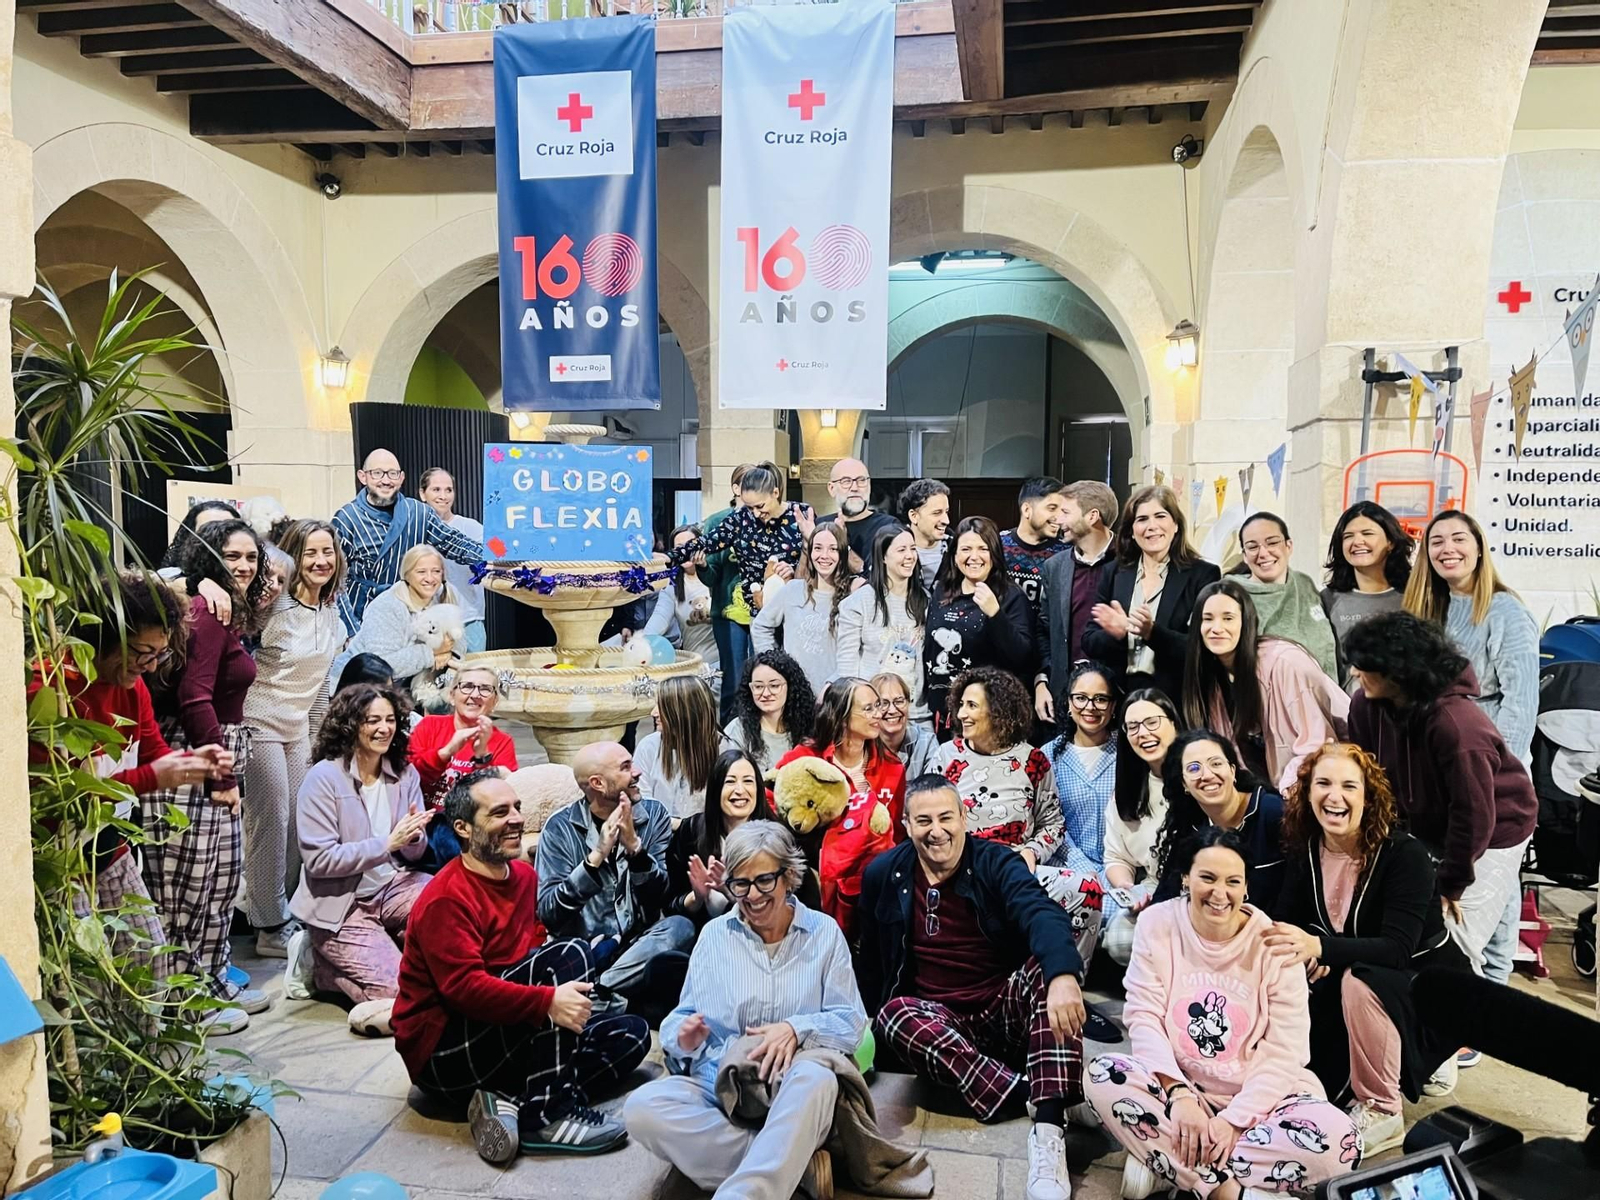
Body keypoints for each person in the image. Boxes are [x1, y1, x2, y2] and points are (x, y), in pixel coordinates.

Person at [1084, 827, 1358, 1200]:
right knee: (1103, 1075)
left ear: (1246, 887)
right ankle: (1230, 1191)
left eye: (1233, 881)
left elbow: (1286, 1052)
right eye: (1207, 878)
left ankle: (1172, 1165)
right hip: (1180, 1089)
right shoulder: (1157, 924)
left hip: (1263, 1100)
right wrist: (1179, 1095)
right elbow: (1144, 1017)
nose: (1219, 893)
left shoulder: (1276, 944)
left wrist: (1232, 1121)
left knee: (1341, 1142)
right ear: (1186, 878)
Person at [393, 770, 650, 1161]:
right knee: (572, 956)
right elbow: (464, 990)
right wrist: (546, 1002)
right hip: (442, 1050)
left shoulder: (524, 877)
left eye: (517, 808)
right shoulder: (446, 898)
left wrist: (549, 1002)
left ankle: (510, 1100)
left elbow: (526, 956)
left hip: (498, 1028)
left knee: (632, 1034)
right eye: (499, 813)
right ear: (462, 828)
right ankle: (548, 1115)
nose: (515, 819)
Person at [860, 776, 1087, 1200]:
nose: (936, 830)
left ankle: (1049, 1128)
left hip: (1002, 1007)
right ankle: (1036, 1090)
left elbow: (1041, 913)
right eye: (923, 820)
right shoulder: (883, 874)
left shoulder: (996, 863)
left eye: (947, 817)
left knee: (1047, 969)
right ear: (906, 824)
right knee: (893, 1014)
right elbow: (871, 960)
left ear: (965, 818)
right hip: (939, 1024)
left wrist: (1062, 976)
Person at [625, 821, 867, 1199]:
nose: (752, 895)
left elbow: (850, 1023)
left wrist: (794, 1028)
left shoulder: (824, 933)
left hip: (794, 1094)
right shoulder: (714, 937)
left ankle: (748, 1189)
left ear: (788, 877)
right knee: (642, 1108)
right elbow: (679, 1018)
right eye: (740, 883)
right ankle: (794, 1170)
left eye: (764, 881)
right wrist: (683, 1037)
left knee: (818, 1078)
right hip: (723, 1088)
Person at [1265, 744, 1472, 1155]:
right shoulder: (1306, 849)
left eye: (1348, 786)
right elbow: (1287, 921)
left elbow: (1397, 949)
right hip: (1353, 973)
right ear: (1307, 794)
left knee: (1360, 980)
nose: (1334, 796)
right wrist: (1310, 953)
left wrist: (1321, 946)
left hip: (1425, 981)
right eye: (1322, 783)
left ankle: (1384, 1108)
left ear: (1368, 797)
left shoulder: (1405, 855)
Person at [33, 573, 231, 992]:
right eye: (143, 652)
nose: (151, 665)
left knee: (148, 960)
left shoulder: (133, 686)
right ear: (106, 636)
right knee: (86, 978)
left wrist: (191, 761)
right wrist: (153, 776)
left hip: (108, 846)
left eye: (160, 655)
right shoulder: (50, 691)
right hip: (59, 859)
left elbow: (153, 752)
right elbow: (66, 793)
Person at [1343, 612, 1537, 976]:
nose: (1355, 672)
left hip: (1496, 830)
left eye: (1364, 665)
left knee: (1455, 940)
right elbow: (1368, 780)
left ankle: (1470, 1021)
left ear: (1396, 670)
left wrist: (1452, 883)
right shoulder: (1365, 705)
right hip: (1426, 826)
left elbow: (1474, 814)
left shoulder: (1458, 726)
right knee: (1415, 927)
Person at [144, 518, 266, 1032]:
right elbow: (194, 696)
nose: (242, 566)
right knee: (187, 889)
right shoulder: (205, 611)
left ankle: (210, 982)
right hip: (195, 758)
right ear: (208, 561)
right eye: (230, 557)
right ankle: (184, 1003)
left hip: (215, 751)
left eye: (250, 558)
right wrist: (219, 775)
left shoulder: (224, 611)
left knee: (217, 883)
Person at [933, 667, 1104, 973]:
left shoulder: (1032, 759)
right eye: (961, 705)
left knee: (1087, 890)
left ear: (997, 711)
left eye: (972, 706)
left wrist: (1031, 853)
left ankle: (1061, 985)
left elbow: (1053, 824)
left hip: (1017, 869)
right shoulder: (946, 757)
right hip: (963, 870)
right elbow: (928, 819)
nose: (961, 714)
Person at [289, 683, 432, 1034]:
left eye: (390, 719)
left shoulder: (404, 773)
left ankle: (390, 949)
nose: (384, 728)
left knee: (444, 906)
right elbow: (319, 860)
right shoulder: (322, 778)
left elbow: (414, 851)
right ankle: (321, 968)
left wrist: (413, 839)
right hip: (339, 905)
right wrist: (386, 843)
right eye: (372, 720)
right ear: (350, 724)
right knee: (399, 995)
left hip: (392, 887)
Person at [241, 519, 346, 961]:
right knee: (273, 818)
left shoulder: (332, 612)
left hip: (299, 728)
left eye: (328, 552)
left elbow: (320, 686)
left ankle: (279, 908)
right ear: (293, 556)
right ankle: (268, 925)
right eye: (310, 553)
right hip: (258, 720)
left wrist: (324, 745)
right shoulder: (275, 606)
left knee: (301, 824)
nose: (321, 561)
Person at [535, 741, 695, 1012]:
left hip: (637, 947)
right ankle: (617, 997)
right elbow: (550, 913)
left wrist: (635, 849)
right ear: (597, 783)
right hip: (584, 950)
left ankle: (600, 992)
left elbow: (659, 896)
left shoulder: (653, 814)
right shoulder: (559, 828)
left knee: (680, 927)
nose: (638, 772)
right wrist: (595, 858)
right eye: (626, 767)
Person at [1184, 579, 1349, 792]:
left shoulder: (1285, 662)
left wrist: (1284, 795)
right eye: (1208, 619)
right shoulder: (1212, 674)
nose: (1217, 628)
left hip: (1322, 781)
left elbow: (1317, 746)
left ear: (1246, 623)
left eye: (1228, 618)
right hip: (1273, 788)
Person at [1405, 510, 1538, 766]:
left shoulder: (1506, 612)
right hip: (1432, 758)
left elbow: (1521, 704)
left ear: (1479, 549)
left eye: (1458, 539)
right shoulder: (1423, 609)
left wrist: (1499, 766)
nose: (1447, 548)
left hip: (1484, 761)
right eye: (1437, 542)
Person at [776, 677, 907, 936]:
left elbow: (897, 833)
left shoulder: (892, 767)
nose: (878, 714)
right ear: (843, 716)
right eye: (868, 708)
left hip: (873, 890)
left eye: (877, 706)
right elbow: (774, 804)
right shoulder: (804, 759)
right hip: (815, 889)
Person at [1082, 484, 1220, 701]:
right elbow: (1089, 641)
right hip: (1120, 699)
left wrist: (1152, 633)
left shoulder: (1203, 575)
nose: (1152, 526)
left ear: (1175, 525)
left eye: (1160, 516)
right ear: (1132, 531)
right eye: (1142, 519)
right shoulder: (1114, 572)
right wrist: (1116, 634)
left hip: (1174, 700)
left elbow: (1202, 648)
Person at [333, 448, 484, 634]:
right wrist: (350, 630)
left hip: (410, 617)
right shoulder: (347, 519)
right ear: (363, 477)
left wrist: (500, 558)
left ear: (401, 478)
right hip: (363, 619)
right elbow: (334, 581)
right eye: (377, 473)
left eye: (393, 474)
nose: (386, 480)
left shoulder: (418, 513)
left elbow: (455, 543)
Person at [1152, 730, 1286, 917]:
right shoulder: (1192, 825)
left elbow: (1300, 890)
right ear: (1184, 784)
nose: (1207, 775)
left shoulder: (1272, 812)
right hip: (1213, 932)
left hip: (1272, 932)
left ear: (1232, 771)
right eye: (1193, 768)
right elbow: (1166, 893)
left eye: (1216, 763)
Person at [924, 516, 1034, 740]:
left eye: (983, 549)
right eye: (965, 549)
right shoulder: (942, 591)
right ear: (955, 556)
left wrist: (995, 614)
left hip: (985, 715)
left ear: (994, 554)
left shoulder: (1010, 596)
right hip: (940, 711)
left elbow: (1023, 657)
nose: (974, 557)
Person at [666, 462, 814, 619]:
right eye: (750, 508)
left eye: (760, 506)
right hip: (759, 615)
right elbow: (706, 542)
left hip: (798, 610)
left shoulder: (801, 514)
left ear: (775, 493)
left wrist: (800, 558)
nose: (755, 514)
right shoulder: (740, 519)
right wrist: (670, 556)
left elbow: (820, 560)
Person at [407, 664, 519, 863]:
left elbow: (497, 802)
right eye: (467, 686)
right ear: (451, 695)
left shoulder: (502, 742)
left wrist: (482, 756)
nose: (475, 694)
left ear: (494, 701)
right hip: (423, 823)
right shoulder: (429, 726)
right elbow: (409, 777)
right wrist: (446, 752)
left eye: (485, 689)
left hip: (473, 831)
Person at [1044, 663, 1120, 942]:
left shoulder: (1129, 752)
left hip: (1121, 871)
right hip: (1067, 869)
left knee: (1126, 926)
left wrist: (1112, 873)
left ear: (1113, 706)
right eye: (1081, 698)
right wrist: (1086, 870)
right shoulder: (1048, 756)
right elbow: (1048, 825)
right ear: (1068, 702)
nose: (1090, 707)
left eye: (1101, 698)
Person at [1103, 689, 1180, 964]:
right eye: (1132, 726)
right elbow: (1115, 857)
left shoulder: (1196, 775)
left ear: (1173, 722)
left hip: (1194, 888)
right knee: (1119, 939)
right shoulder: (1128, 790)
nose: (1142, 733)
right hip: (1151, 888)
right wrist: (1129, 889)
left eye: (1152, 722)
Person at [1034, 480, 1118, 724]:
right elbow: (1044, 629)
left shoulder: (1130, 563)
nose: (1058, 520)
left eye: (1065, 512)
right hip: (1066, 700)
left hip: (1116, 697)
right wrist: (1042, 681)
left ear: (1092, 516)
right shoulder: (1054, 567)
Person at [665, 748, 780, 926]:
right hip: (703, 938)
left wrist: (730, 892)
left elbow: (784, 907)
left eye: (748, 781)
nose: (740, 790)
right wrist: (697, 897)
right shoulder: (691, 832)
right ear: (716, 789)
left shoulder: (776, 836)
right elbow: (670, 905)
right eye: (730, 782)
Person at [334, 544, 460, 699]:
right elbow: (382, 665)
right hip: (356, 689)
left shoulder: (442, 596)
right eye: (421, 572)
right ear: (406, 575)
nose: (430, 578)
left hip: (403, 691)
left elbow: (458, 637)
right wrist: (431, 653)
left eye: (436, 571)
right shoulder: (388, 606)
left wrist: (447, 653)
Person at [836, 526, 929, 718]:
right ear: (883, 557)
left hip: (917, 715)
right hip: (874, 715)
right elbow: (847, 668)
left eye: (913, 548)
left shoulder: (926, 601)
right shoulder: (858, 603)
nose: (910, 556)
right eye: (901, 550)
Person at [1319, 502, 1414, 687]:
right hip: (1349, 710)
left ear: (1391, 542)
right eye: (1348, 536)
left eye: (1367, 534)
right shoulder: (1328, 600)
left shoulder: (1414, 596)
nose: (1357, 542)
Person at [752, 522, 852, 696]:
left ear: (842, 553)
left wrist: (835, 686)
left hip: (834, 697)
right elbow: (760, 626)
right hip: (793, 695)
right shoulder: (793, 590)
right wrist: (775, 666)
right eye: (818, 548)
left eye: (833, 549)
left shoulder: (851, 599)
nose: (824, 555)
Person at [1233, 512, 1337, 680]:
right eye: (1253, 547)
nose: (1263, 553)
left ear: (1289, 546)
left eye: (1272, 542)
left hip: (1324, 695)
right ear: (1245, 555)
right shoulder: (1232, 594)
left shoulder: (1304, 584)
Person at [633, 675, 731, 820]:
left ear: (684, 711)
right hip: (659, 836)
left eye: (662, 706)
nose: (653, 713)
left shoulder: (725, 751)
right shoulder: (648, 747)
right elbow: (641, 805)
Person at [702, 464, 753, 723]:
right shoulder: (717, 521)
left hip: (763, 611)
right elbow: (710, 575)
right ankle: (731, 739)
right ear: (736, 489)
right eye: (749, 485)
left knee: (761, 676)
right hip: (727, 610)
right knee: (733, 679)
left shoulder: (768, 520)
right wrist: (701, 564)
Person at [419, 467, 488, 655]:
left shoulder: (471, 527)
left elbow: (494, 556)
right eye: (436, 489)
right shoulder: (416, 530)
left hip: (469, 619)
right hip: (429, 621)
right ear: (422, 494)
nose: (443, 496)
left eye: (448, 490)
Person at [642, 522, 720, 682]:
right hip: (696, 668)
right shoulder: (672, 587)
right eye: (679, 547)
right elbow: (657, 623)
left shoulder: (717, 578)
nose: (684, 551)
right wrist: (640, 646)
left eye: (690, 545)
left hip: (726, 664)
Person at [725, 649, 817, 771]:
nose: (766, 693)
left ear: (790, 686)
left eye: (774, 686)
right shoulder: (737, 731)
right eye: (758, 687)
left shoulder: (808, 727)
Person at [1001, 476, 1069, 624]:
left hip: (1047, 642)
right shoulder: (998, 546)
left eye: (1063, 510)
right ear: (1027, 510)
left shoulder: (1067, 552)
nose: (1060, 517)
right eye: (1052, 508)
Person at [819, 456, 899, 574]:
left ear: (869, 485)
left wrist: (843, 544)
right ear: (832, 488)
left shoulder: (889, 526)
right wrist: (806, 543)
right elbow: (805, 581)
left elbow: (875, 578)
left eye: (861, 481)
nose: (855, 488)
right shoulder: (820, 526)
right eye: (846, 481)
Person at [871, 670, 939, 781]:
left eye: (899, 701)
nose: (892, 710)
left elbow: (934, 790)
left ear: (908, 703)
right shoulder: (862, 744)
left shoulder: (926, 743)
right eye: (884, 703)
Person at [899, 477, 951, 589]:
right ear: (914, 516)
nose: (946, 521)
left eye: (946, 512)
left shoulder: (956, 548)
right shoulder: (892, 550)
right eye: (937, 513)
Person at [160, 498, 238, 571]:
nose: (217, 535)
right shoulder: (169, 577)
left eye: (227, 529)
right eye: (207, 529)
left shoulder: (246, 571)